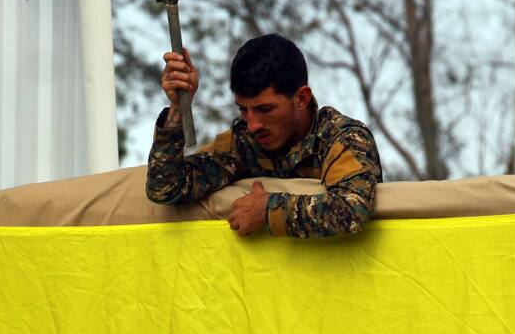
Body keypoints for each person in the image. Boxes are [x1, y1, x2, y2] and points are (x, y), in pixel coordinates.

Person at [146, 33, 382, 238]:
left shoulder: (341, 137)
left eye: (265, 109)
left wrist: (269, 210)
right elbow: (167, 188)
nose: (253, 125)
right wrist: (178, 109)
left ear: (301, 98)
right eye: (243, 109)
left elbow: (354, 209)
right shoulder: (243, 143)